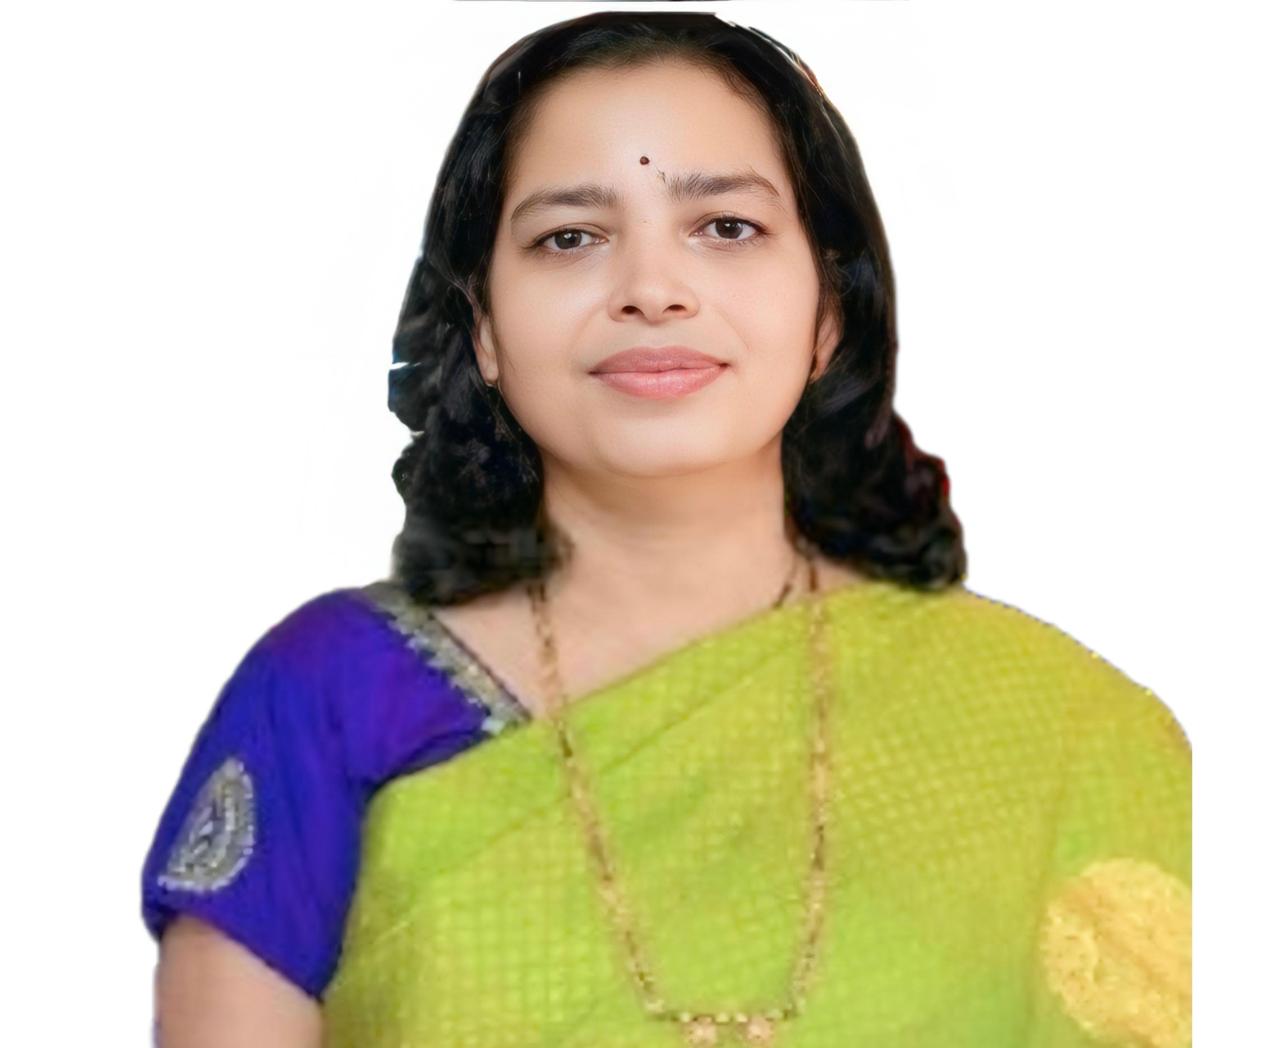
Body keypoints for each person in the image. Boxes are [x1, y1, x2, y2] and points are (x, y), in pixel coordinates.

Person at [140, 11, 1191, 1047]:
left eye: (725, 228)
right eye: (570, 238)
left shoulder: (1060, 732)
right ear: (485, 328)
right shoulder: (329, 697)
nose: (650, 289)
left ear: (828, 312)